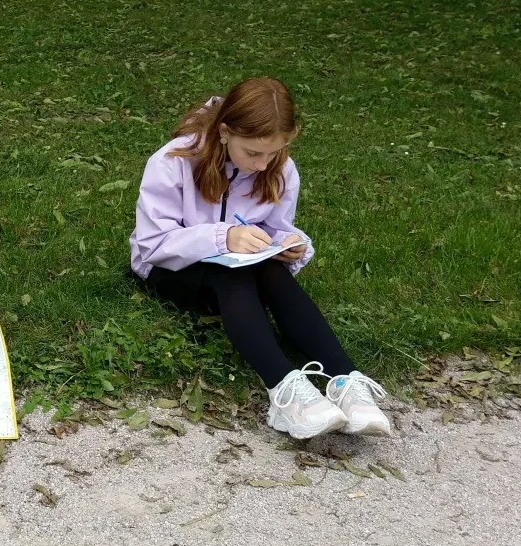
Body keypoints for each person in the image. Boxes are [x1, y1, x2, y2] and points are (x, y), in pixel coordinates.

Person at [130, 78, 391, 439]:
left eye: (275, 152)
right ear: (224, 132)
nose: (264, 163)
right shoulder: (173, 162)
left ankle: (346, 380)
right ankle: (284, 389)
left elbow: (276, 227)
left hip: (240, 272)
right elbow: (153, 244)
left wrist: (287, 243)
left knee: (271, 270)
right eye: (253, 153)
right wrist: (223, 238)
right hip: (170, 269)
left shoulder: (279, 167)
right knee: (230, 274)